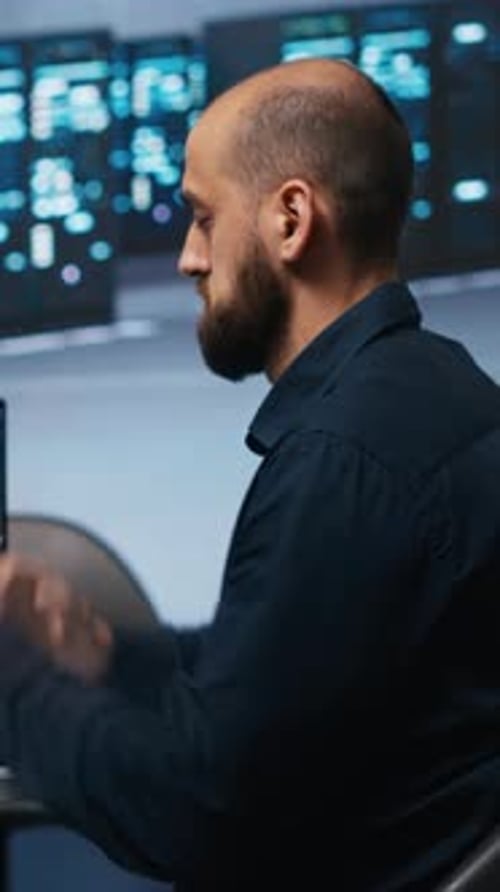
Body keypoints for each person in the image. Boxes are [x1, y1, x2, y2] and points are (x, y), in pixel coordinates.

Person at [0, 57, 500, 892]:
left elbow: (195, 819)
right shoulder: (439, 392)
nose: (189, 258)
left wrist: (15, 682)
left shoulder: (344, 461)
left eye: (203, 218)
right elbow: (300, 668)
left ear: (291, 220)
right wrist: (118, 658)